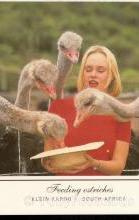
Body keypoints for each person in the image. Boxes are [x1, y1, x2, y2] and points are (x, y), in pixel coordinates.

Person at [42, 45, 131, 175]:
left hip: (103, 191)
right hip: (63, 191)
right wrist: (48, 161)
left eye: (100, 70)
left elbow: (118, 167)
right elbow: (47, 157)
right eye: (88, 69)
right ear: (83, 73)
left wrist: (94, 164)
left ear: (112, 76)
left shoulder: (121, 113)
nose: (93, 74)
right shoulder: (58, 107)